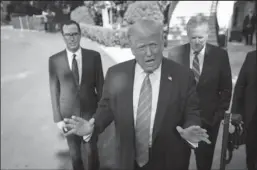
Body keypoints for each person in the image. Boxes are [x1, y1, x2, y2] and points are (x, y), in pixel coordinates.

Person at [63, 19, 210, 170]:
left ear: (162, 43)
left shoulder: (183, 75)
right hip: (128, 161)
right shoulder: (116, 74)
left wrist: (192, 128)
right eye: (142, 47)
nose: (149, 53)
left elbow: (192, 111)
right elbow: (106, 107)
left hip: (170, 161)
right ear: (132, 49)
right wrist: (92, 126)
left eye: (153, 45)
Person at [168, 14, 232, 170]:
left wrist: (216, 117)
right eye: (193, 37)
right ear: (188, 35)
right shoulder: (174, 54)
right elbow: (169, 89)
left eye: (201, 38)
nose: (197, 42)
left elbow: (226, 89)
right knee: (178, 164)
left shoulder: (220, 56)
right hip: (181, 125)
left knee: (204, 165)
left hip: (208, 124)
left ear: (207, 35)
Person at [48, 20, 104, 170]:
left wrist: (99, 116)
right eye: (67, 35)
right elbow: (54, 90)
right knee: (75, 155)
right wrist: (58, 118)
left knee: (92, 152)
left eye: (74, 34)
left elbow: (101, 88)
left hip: (89, 114)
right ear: (63, 37)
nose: (71, 38)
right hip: (68, 116)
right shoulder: (54, 60)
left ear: (80, 35)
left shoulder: (94, 56)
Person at [231, 50, 257, 170]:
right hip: (253, 116)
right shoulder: (251, 57)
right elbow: (240, 85)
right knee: (251, 150)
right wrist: (235, 112)